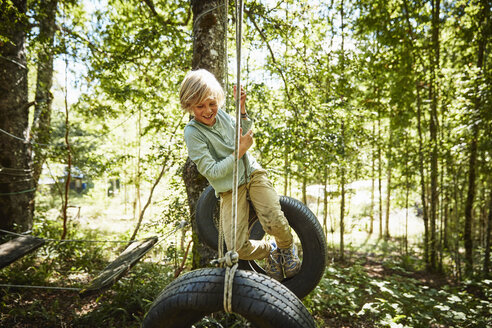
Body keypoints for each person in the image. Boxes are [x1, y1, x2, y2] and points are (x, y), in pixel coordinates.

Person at [180, 68, 301, 281]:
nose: (208, 111)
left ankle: (286, 247)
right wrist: (239, 151)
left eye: (212, 103)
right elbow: (213, 172)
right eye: (200, 106)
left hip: (252, 174)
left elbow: (243, 130)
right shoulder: (193, 133)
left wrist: (242, 108)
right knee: (237, 248)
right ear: (189, 106)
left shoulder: (223, 116)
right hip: (229, 187)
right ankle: (270, 250)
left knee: (273, 220)